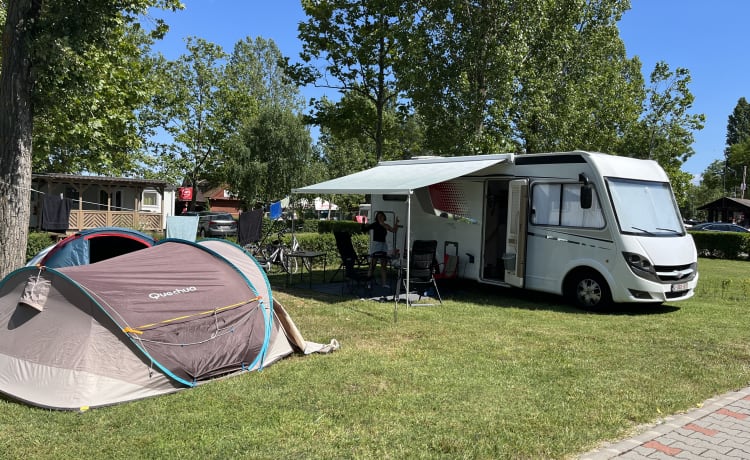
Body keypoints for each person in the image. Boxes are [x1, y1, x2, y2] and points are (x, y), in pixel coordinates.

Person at [363, 211, 399, 288]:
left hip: (383, 245)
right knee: (373, 264)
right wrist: (364, 223)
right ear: (377, 218)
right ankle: (368, 283)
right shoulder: (375, 224)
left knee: (383, 265)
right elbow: (365, 229)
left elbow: (393, 230)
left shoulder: (385, 225)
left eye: (381, 216)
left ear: (384, 217)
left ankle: (384, 283)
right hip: (376, 245)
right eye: (378, 216)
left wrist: (396, 223)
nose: (380, 217)